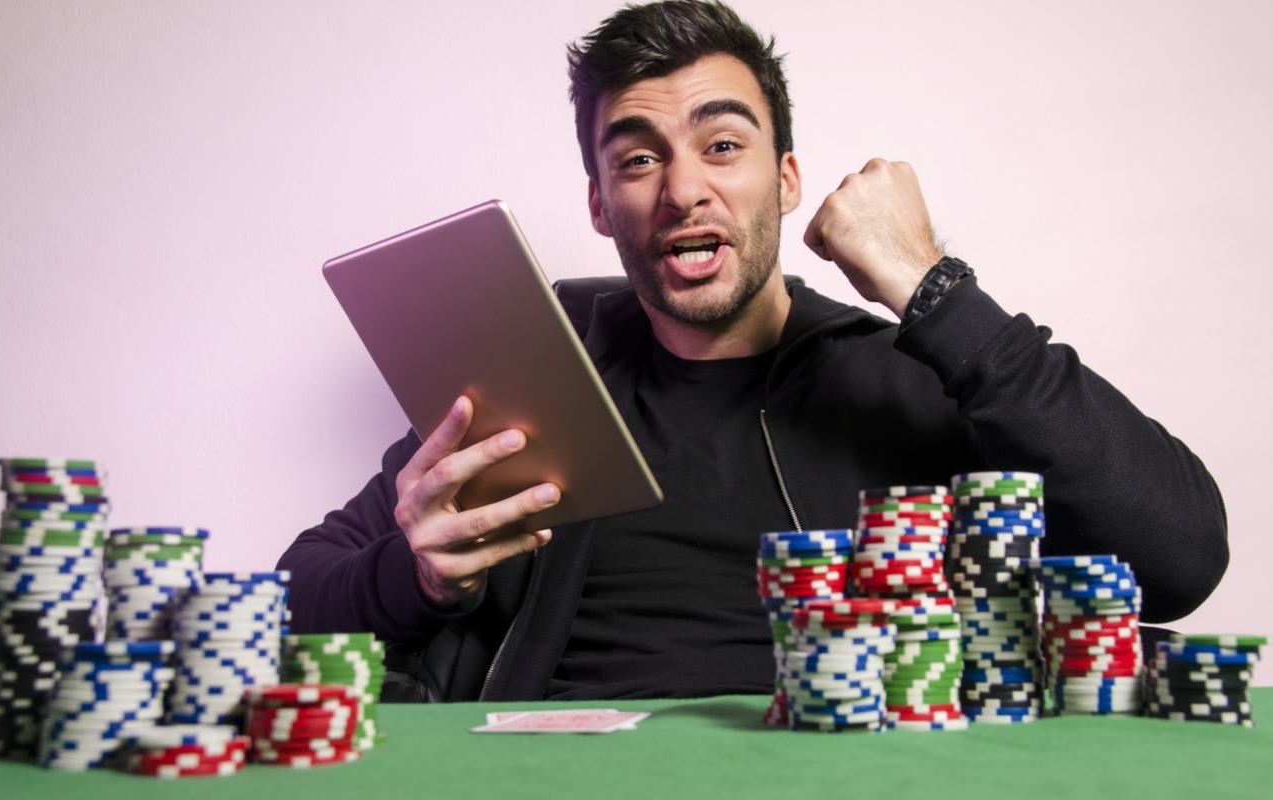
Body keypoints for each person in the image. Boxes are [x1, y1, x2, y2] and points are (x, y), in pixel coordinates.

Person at [278, 0, 1227, 701]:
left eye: (722, 146)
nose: (684, 189)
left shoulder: (907, 376)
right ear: (600, 204)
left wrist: (934, 290)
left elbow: (1181, 558)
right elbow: (294, 597)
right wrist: (417, 576)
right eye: (638, 157)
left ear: (787, 179)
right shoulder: (534, 376)